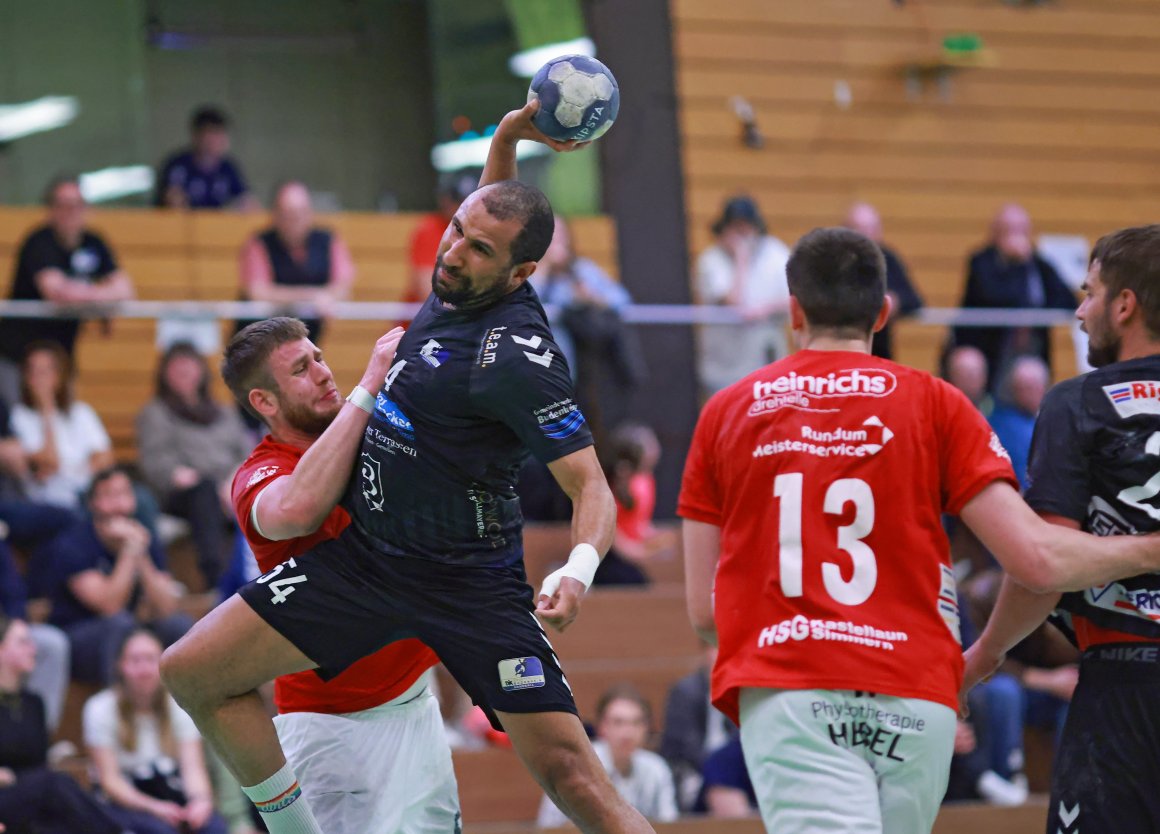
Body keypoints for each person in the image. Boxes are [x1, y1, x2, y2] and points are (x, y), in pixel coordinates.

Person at [160, 99, 656, 834]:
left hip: (469, 581)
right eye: (456, 231)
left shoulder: (517, 361)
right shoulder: (456, 279)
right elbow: (492, 206)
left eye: (479, 249)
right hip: (372, 561)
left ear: (520, 272)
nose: (454, 251)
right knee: (190, 670)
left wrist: (577, 568)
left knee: (572, 774)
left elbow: (591, 486)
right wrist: (512, 133)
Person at [678, 226, 1160, 834]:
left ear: (794, 311)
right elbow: (1034, 556)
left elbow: (704, 611)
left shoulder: (727, 410)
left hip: (794, 681)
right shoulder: (939, 402)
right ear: (882, 313)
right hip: (915, 690)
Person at [223, 317, 459, 832]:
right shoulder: (260, 473)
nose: (324, 373)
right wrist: (369, 383)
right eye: (301, 369)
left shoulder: (372, 435)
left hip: (417, 702)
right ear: (264, 402)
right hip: (333, 728)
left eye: (320, 357)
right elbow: (299, 508)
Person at [962, 224, 1160, 833]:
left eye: (1089, 292)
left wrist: (984, 655)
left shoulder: (1080, 402)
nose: (1079, 311)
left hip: (1127, 688)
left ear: (1124, 304)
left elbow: (1039, 565)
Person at [41, 467, 191, 684]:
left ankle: (184, 709)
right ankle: (119, 708)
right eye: (110, 495)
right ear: (93, 504)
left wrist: (141, 556)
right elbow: (110, 606)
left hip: (127, 626)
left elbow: (166, 606)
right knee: (120, 625)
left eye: (124, 494)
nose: (119, 504)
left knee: (178, 625)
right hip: (79, 636)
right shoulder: (73, 544)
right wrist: (129, 553)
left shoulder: (143, 537)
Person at [0, 176, 135, 405]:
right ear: (51, 209)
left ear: (85, 208)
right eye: (62, 205)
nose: (69, 212)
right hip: (17, 356)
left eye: (75, 205)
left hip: (61, 356)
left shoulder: (94, 243)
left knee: (65, 420)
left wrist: (82, 294)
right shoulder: (39, 242)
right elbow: (58, 293)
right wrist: (100, 294)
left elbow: (125, 289)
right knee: (18, 423)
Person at [85, 629, 228, 834]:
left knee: (213, 827)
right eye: (135, 660)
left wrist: (200, 801)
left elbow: (193, 768)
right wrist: (155, 808)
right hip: (125, 800)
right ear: (120, 666)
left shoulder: (179, 705)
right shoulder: (99, 707)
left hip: (170, 791)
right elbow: (110, 782)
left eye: (151, 659)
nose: (144, 669)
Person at [136, 343, 253, 587]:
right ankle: (215, 577)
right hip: (180, 492)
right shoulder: (156, 412)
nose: (184, 372)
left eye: (189, 365)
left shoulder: (224, 412)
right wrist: (185, 477)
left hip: (228, 488)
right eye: (176, 367)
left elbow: (248, 454)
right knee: (205, 491)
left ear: (201, 371)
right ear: (164, 374)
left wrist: (233, 481)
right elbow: (155, 462)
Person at [0, 615, 125, 834]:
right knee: (55, 783)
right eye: (22, 642)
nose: (33, 649)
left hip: (32, 795)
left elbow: (38, 760)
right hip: (7, 795)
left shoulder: (34, 703)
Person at [532, 215, 644, 443]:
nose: (556, 243)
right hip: (545, 369)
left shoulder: (582, 270)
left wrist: (592, 297)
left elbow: (622, 301)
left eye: (560, 236)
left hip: (589, 372)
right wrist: (543, 267)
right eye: (550, 237)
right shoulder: (530, 270)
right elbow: (527, 303)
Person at [953, 203, 1075, 389]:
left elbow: (1069, 301)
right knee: (969, 365)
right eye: (1009, 231)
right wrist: (1017, 266)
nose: (1015, 238)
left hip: (1028, 350)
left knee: (1032, 375)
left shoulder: (1038, 264)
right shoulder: (981, 262)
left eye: (1021, 231)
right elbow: (998, 297)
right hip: (988, 349)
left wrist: (1026, 264)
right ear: (995, 233)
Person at [537, 685, 677, 827]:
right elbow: (549, 826)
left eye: (636, 723)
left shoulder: (656, 768)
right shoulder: (577, 764)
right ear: (602, 727)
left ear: (646, 728)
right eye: (618, 722)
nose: (628, 733)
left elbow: (670, 826)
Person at [695, 195, 791, 398]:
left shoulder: (776, 253)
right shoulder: (710, 261)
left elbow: (795, 298)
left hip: (767, 363)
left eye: (746, 227)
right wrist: (741, 259)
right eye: (736, 228)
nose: (742, 235)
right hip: (725, 366)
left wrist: (766, 309)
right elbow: (733, 301)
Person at [237, 182, 356, 344]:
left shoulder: (329, 240)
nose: (295, 220)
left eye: (301, 212)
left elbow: (343, 286)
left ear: (310, 213)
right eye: (288, 214)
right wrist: (311, 296)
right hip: (258, 344)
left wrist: (328, 297)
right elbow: (258, 292)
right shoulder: (259, 243)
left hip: (305, 338)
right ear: (275, 214)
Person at [9, 341, 114, 509]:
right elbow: (49, 463)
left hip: (86, 493)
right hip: (48, 501)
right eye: (32, 372)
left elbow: (105, 457)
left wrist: (77, 477)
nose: (38, 379)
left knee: (139, 498)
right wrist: (46, 411)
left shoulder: (80, 412)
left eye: (45, 371)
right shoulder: (19, 416)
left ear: (60, 375)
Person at [844, 202, 924, 361]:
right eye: (858, 229)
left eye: (870, 229)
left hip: (879, 352)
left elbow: (914, 300)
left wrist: (895, 301)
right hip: (841, 348)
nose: (865, 235)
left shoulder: (888, 258)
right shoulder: (834, 262)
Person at [156, 106, 258, 211]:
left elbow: (247, 200)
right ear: (197, 136)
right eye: (212, 134)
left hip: (215, 225)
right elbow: (172, 200)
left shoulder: (228, 167)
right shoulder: (178, 165)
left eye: (221, 134)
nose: (218, 140)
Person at [403, 172, 478, 312]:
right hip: (430, 320)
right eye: (458, 201)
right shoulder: (429, 229)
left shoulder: (482, 232)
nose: (464, 208)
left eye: (469, 202)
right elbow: (427, 290)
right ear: (445, 200)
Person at [988, 355, 1049, 489]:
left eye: (1029, 388)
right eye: (1019, 388)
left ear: (1042, 387)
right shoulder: (1002, 424)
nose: (1024, 394)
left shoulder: (1054, 419)